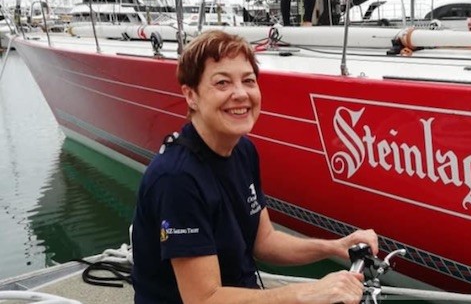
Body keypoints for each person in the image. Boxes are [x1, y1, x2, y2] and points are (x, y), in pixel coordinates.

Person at [131, 29, 379, 304]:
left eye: (248, 81)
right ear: (191, 96)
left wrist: (335, 247)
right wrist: (307, 293)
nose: (240, 94)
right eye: (222, 83)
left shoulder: (243, 150)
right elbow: (203, 299)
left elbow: (264, 241)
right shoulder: (176, 179)